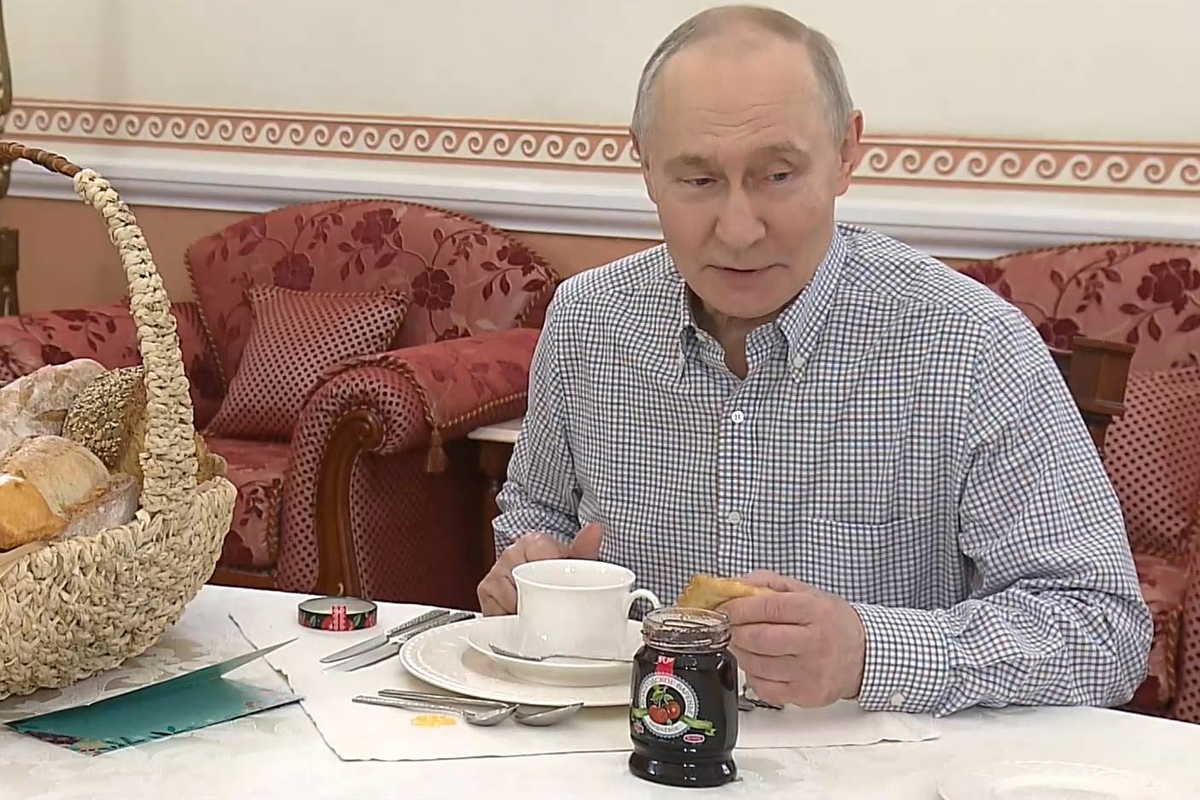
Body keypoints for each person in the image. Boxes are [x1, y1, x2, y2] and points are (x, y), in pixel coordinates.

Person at [477, 4, 1152, 717]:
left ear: (845, 153)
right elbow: (537, 517)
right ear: (645, 166)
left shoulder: (971, 344)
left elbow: (1102, 629)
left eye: (777, 174)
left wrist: (867, 652)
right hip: (629, 745)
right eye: (698, 181)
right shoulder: (587, 320)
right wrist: (528, 570)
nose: (740, 230)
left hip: (883, 760)